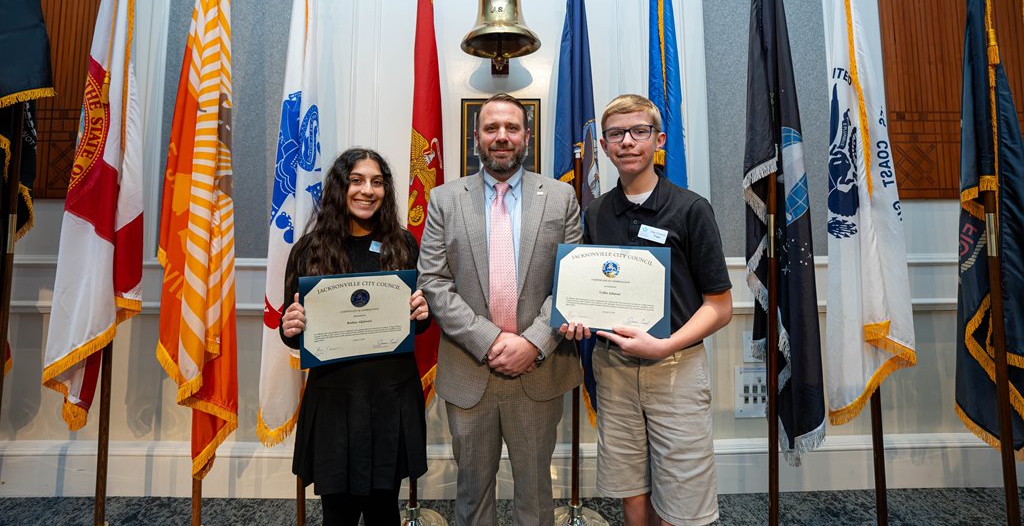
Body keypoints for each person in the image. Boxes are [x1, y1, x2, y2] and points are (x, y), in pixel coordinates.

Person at [562, 94, 733, 526]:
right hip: (614, 369)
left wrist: (665, 346)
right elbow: (592, 290)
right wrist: (576, 320)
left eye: (639, 131)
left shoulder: (691, 209)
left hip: (674, 367)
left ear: (658, 140)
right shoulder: (597, 212)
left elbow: (720, 306)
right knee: (630, 489)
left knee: (683, 498)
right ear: (603, 144)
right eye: (617, 134)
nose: (628, 142)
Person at [418, 93, 582, 526]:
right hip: (470, 369)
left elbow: (572, 280)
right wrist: (490, 341)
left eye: (512, 128)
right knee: (472, 494)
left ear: (527, 136)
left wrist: (533, 342)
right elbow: (433, 283)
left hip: (539, 368)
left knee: (535, 493)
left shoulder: (562, 197)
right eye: (491, 128)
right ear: (477, 137)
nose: (502, 137)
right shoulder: (444, 199)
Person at [280, 148, 431, 526]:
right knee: (338, 514)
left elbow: (418, 324)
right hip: (334, 401)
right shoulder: (309, 250)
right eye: (357, 180)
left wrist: (423, 314)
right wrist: (290, 326)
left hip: (390, 398)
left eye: (377, 182)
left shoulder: (403, 245)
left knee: (384, 510)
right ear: (339, 187)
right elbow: (292, 333)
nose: (368, 190)